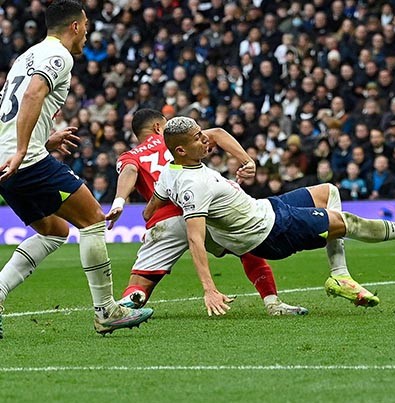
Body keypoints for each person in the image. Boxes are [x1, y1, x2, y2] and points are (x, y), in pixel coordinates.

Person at [0, 0, 153, 337]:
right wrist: (24, 148)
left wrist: (43, 139)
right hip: (22, 159)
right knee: (93, 219)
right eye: (86, 27)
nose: (87, 34)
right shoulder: (60, 56)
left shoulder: (26, 56)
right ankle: (106, 311)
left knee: (55, 230)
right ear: (75, 25)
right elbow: (31, 95)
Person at [143, 117, 395, 316]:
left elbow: (152, 205)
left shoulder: (171, 170)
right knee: (345, 223)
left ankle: (340, 275)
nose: (205, 140)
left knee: (328, 191)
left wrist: (247, 160)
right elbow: (195, 239)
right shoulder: (193, 186)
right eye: (198, 138)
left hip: (265, 207)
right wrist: (209, 290)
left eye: (201, 133)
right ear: (181, 149)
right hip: (271, 231)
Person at [105, 109, 308, 316]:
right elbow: (218, 133)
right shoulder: (176, 141)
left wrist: (119, 201)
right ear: (158, 127)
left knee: (141, 282)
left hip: (165, 221)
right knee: (247, 248)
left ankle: (130, 303)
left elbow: (130, 171)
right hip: (205, 212)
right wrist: (247, 161)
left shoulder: (130, 156)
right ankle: (273, 303)